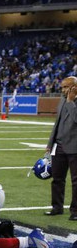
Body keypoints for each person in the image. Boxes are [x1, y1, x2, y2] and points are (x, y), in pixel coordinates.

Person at [45, 76, 77, 220]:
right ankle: (57, 207)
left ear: (74, 87)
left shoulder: (68, 101)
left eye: (66, 87)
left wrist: (71, 101)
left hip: (75, 147)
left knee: (76, 181)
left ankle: (75, 211)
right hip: (59, 146)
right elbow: (57, 124)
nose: (63, 90)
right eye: (62, 87)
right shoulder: (62, 100)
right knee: (57, 179)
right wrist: (50, 143)